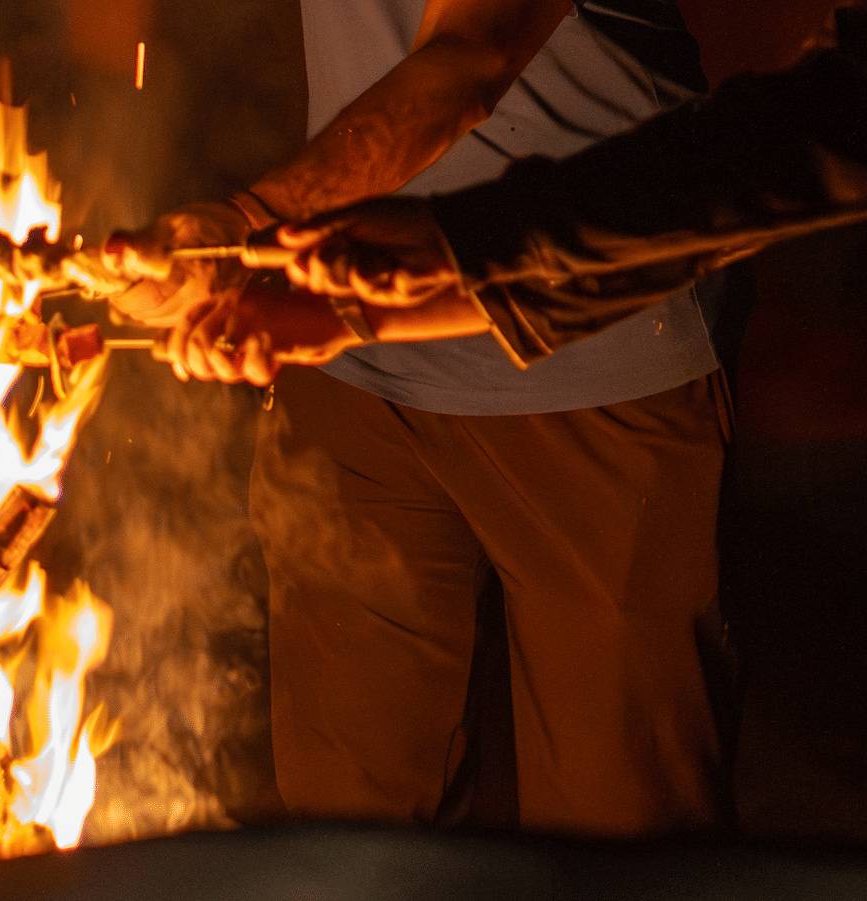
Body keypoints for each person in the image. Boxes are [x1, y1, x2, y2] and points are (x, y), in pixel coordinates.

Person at [107, 0, 734, 836]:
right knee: (346, 823)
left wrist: (244, 228)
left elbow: (467, 62)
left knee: (625, 829)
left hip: (588, 350)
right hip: (346, 345)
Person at [171, 1, 866, 380]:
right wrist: (349, 320)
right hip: (410, 354)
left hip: (604, 379)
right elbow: (761, 165)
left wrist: (245, 227)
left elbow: (470, 59)